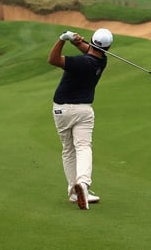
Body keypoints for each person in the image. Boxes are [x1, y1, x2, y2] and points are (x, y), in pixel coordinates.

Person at [47, 28, 113, 210]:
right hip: (83, 110)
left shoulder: (79, 63)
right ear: (108, 47)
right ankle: (83, 184)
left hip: (61, 109)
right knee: (83, 147)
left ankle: (74, 192)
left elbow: (52, 59)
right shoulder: (102, 61)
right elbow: (91, 50)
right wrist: (76, 41)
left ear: (92, 40)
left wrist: (62, 39)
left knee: (68, 149)